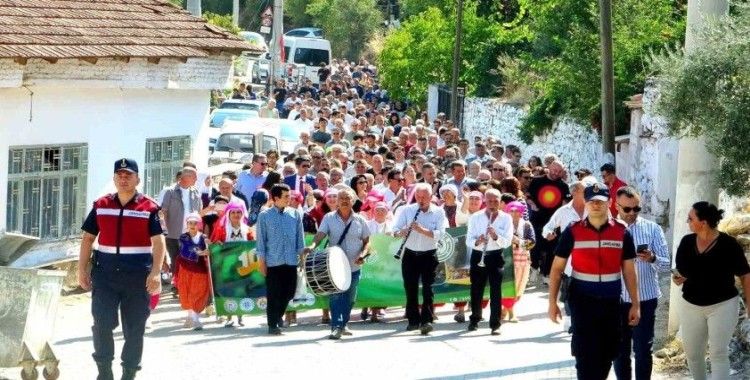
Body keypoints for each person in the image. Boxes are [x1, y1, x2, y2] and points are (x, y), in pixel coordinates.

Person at [77, 158, 165, 380]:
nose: (123, 179)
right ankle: (104, 372)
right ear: (114, 178)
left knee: (135, 328)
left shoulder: (149, 207)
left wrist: (156, 273)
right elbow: (88, 238)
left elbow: (158, 242)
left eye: (129, 175)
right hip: (105, 275)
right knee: (102, 323)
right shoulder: (101, 205)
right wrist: (81, 269)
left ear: (138, 179)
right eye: (120, 175)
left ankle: (129, 373)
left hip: (137, 277)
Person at [548, 183, 641, 380]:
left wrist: (635, 304)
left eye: (600, 201)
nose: (596, 205)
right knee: (584, 355)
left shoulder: (622, 232)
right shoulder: (573, 231)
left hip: (610, 302)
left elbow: (630, 272)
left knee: (608, 353)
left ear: (609, 203)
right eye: (591, 201)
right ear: (585, 203)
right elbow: (556, 270)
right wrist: (552, 303)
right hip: (582, 302)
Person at [674, 201, 750, 380]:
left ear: (704, 222)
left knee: (718, 353)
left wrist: (748, 304)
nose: (687, 222)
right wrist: (678, 278)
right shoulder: (686, 242)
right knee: (693, 354)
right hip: (691, 305)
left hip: (722, 305)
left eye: (690, 218)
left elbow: (745, 275)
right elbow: (680, 272)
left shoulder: (729, 245)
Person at [613, 187, 671, 380]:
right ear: (616, 206)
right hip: (617, 299)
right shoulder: (609, 230)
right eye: (627, 209)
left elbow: (666, 265)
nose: (632, 214)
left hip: (645, 298)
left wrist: (653, 258)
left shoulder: (652, 229)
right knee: (620, 351)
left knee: (643, 349)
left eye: (636, 209)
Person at [306, 189, 370, 339]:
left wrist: (363, 254)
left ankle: (344, 323)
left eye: (347, 198)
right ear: (337, 201)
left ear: (353, 201)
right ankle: (336, 326)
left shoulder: (360, 220)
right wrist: (312, 246)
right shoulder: (328, 218)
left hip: (354, 266)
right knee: (336, 296)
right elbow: (320, 235)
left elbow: (367, 242)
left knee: (350, 298)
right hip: (335, 267)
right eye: (341, 198)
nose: (344, 200)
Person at [392, 183, 447, 335]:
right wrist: (403, 231)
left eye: (424, 197)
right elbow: (394, 231)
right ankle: (413, 321)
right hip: (410, 254)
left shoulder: (438, 212)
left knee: (428, 289)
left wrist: (422, 230)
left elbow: (441, 233)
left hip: (429, 254)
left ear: (431, 197)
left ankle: (427, 320)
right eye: (418, 197)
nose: (421, 200)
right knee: (410, 288)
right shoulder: (407, 210)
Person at [255, 184, 306, 335]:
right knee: (273, 294)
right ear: (276, 198)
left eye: (289, 196)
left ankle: (278, 316)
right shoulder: (264, 216)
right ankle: (272, 324)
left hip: (291, 261)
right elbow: (261, 241)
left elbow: (300, 238)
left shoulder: (295, 214)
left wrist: (302, 258)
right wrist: (262, 262)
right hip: (273, 261)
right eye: (286, 196)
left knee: (289, 292)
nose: (289, 199)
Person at [465, 189, 513, 335]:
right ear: (485, 201)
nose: (492, 204)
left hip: (495, 256)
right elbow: (468, 240)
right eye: (490, 201)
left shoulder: (506, 218)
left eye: (496, 201)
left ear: (500, 201)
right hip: (478, 254)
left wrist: (495, 236)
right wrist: (478, 241)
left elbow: (507, 242)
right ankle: (475, 319)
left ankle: (495, 324)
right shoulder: (476, 217)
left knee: (496, 290)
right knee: (476, 289)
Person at [211, 201, 254, 327]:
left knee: (242, 289)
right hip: (227, 266)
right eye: (233, 212)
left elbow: (253, 245)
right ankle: (229, 316)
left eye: (238, 212)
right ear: (228, 214)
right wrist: (217, 244)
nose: (236, 215)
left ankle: (241, 316)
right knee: (229, 289)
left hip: (243, 265)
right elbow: (214, 243)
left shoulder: (247, 230)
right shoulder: (221, 229)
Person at [527, 160, 570, 283]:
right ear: (549, 168)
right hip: (537, 219)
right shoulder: (537, 180)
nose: (556, 173)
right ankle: (534, 269)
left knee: (552, 247)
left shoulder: (563, 185)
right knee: (535, 245)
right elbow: (528, 195)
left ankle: (547, 275)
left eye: (559, 171)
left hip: (554, 221)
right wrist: (533, 204)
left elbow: (565, 203)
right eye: (554, 170)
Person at [160, 167, 202, 282]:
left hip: (190, 233)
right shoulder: (170, 191)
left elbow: (199, 213)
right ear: (186, 177)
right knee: (176, 259)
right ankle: (177, 284)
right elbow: (163, 212)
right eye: (194, 176)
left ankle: (185, 283)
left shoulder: (196, 192)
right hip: (173, 233)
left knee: (189, 259)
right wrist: (163, 231)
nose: (196, 179)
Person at [175, 213, 210, 331]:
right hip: (185, 268)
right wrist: (201, 252)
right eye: (190, 223)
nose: (192, 225)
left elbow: (209, 248)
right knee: (186, 291)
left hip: (200, 269)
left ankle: (195, 318)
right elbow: (188, 248)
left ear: (199, 225)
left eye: (195, 223)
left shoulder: (204, 237)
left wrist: (210, 247)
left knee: (198, 291)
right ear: (187, 224)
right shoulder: (183, 237)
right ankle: (191, 316)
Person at [501, 201, 535, 323]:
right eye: (511, 210)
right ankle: (511, 313)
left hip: (522, 260)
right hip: (506, 259)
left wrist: (518, 241)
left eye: (517, 211)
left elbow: (532, 243)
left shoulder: (526, 225)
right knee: (507, 286)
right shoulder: (502, 224)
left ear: (521, 212)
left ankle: (505, 309)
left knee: (519, 287)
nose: (514, 213)